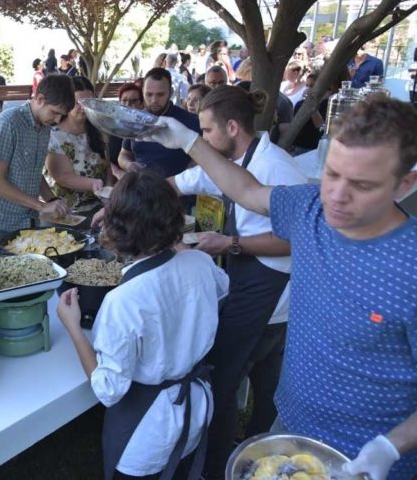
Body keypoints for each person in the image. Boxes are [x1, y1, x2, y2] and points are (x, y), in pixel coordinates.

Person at [142, 95, 417, 480]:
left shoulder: (410, 267)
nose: (336, 196)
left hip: (369, 462)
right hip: (289, 433)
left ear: (405, 183)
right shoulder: (310, 210)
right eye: (332, 174)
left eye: (361, 185)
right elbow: (248, 190)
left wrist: (392, 445)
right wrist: (190, 142)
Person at [167, 86, 307, 477]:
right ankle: (256, 454)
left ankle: (222, 465)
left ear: (232, 127)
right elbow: (186, 181)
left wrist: (231, 243)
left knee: (224, 378)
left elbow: (295, 238)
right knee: (262, 378)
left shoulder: (276, 168)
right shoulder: (231, 159)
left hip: (272, 290)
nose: (204, 140)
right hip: (247, 276)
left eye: (207, 132)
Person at [57, 169, 229, 480]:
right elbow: (222, 287)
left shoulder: (124, 300)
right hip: (195, 411)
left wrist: (72, 327)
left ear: (118, 231)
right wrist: (173, 245)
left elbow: (108, 390)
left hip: (148, 434)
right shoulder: (200, 263)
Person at [0, 75, 74, 233]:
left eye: (62, 115)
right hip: (3, 221)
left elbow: (33, 171)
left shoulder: (45, 126)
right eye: (55, 112)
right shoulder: (9, 123)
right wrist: (41, 206)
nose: (58, 120)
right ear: (40, 99)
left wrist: (52, 200)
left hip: (29, 218)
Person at [118, 68, 199, 177]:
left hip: (178, 191)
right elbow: (124, 154)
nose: (154, 100)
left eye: (160, 95)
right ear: (142, 92)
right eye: (149, 94)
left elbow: (202, 161)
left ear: (170, 92)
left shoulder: (191, 121)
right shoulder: (135, 119)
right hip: (141, 188)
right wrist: (128, 165)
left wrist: (182, 179)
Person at [44, 76, 108, 209]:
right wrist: (93, 184)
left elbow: (107, 169)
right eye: (78, 102)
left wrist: (110, 192)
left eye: (88, 102)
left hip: (101, 205)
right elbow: (63, 176)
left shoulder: (98, 129)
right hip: (67, 209)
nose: (83, 107)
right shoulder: (54, 136)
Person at [107, 82, 144, 180]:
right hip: (114, 178)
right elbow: (104, 158)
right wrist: (118, 173)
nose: (128, 105)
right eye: (124, 100)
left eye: (133, 101)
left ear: (141, 104)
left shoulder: (146, 130)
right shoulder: (109, 128)